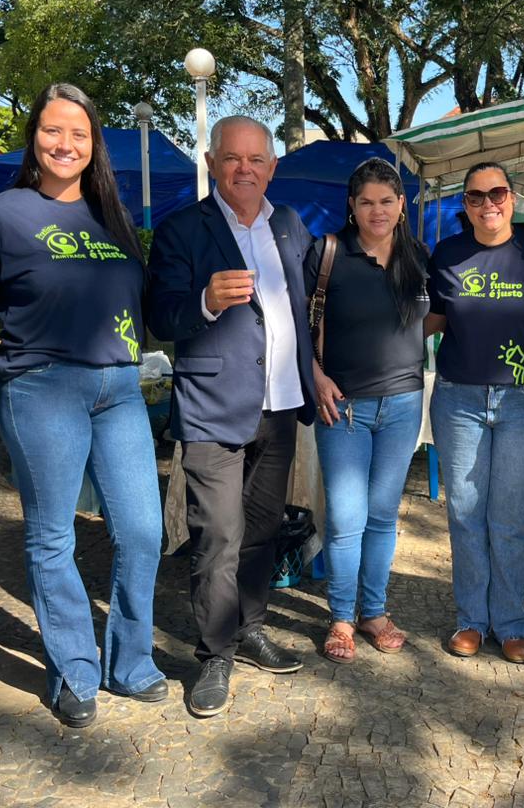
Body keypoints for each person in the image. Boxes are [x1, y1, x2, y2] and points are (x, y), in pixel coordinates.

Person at [0, 84, 165, 728]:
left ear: (93, 145)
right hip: (41, 387)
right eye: (53, 131)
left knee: (143, 531)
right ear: (34, 137)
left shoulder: (113, 217)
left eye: (79, 134)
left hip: (119, 388)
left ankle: (130, 662)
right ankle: (74, 671)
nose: (65, 144)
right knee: (53, 535)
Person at [147, 116, 315, 718]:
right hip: (213, 407)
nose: (245, 169)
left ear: (272, 166)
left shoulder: (289, 225)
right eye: (232, 158)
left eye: (256, 159)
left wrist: (315, 373)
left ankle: (250, 626)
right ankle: (215, 651)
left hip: (280, 402)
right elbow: (159, 318)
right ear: (212, 163)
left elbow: (302, 308)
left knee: (263, 527)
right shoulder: (181, 229)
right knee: (219, 534)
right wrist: (205, 301)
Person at [427, 162, 524, 665]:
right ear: (465, 204)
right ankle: (471, 621)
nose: (488, 204)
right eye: (476, 196)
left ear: (513, 198)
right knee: (464, 514)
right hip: (459, 398)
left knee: (512, 518)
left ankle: (511, 622)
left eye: (497, 193)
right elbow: (432, 317)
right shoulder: (448, 253)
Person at [305, 158, 429, 663]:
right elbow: (297, 323)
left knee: (381, 516)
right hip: (344, 408)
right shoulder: (327, 252)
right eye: (366, 202)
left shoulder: (418, 256)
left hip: (403, 405)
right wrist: (315, 377)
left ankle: (373, 612)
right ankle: (340, 617)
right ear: (351, 207)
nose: (377, 211)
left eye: (386, 201)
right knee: (346, 517)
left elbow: (433, 318)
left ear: (401, 206)